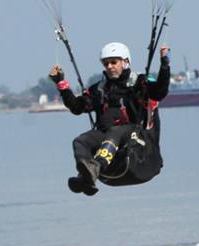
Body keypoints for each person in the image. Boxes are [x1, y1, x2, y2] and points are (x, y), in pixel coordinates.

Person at [49, 42, 170, 194]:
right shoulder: (100, 89)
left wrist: (164, 65)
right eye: (106, 63)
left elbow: (159, 92)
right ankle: (86, 176)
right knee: (81, 141)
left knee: (115, 131)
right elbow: (77, 107)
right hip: (110, 140)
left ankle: (96, 166)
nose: (110, 66)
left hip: (139, 143)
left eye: (114, 62)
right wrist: (61, 83)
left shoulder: (140, 82)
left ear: (125, 62)